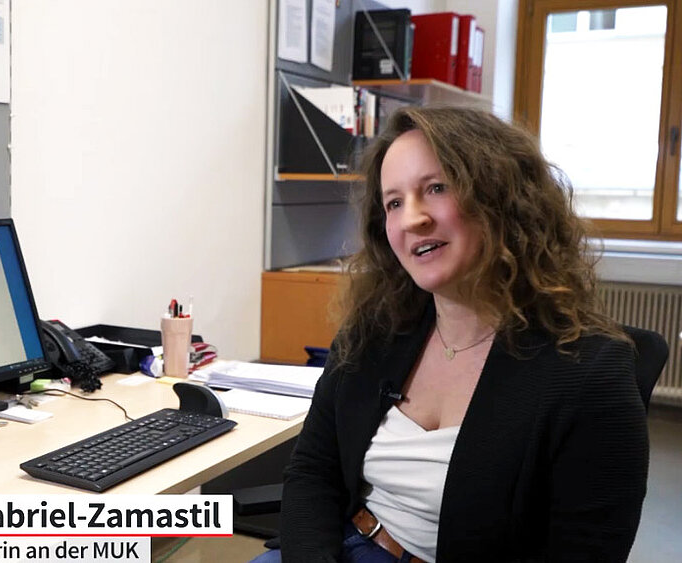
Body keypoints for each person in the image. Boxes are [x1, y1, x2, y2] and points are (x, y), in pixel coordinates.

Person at [257, 107, 649, 562]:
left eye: (436, 188)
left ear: (502, 196)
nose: (412, 219)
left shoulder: (592, 373)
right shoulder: (376, 330)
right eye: (394, 203)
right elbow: (313, 470)